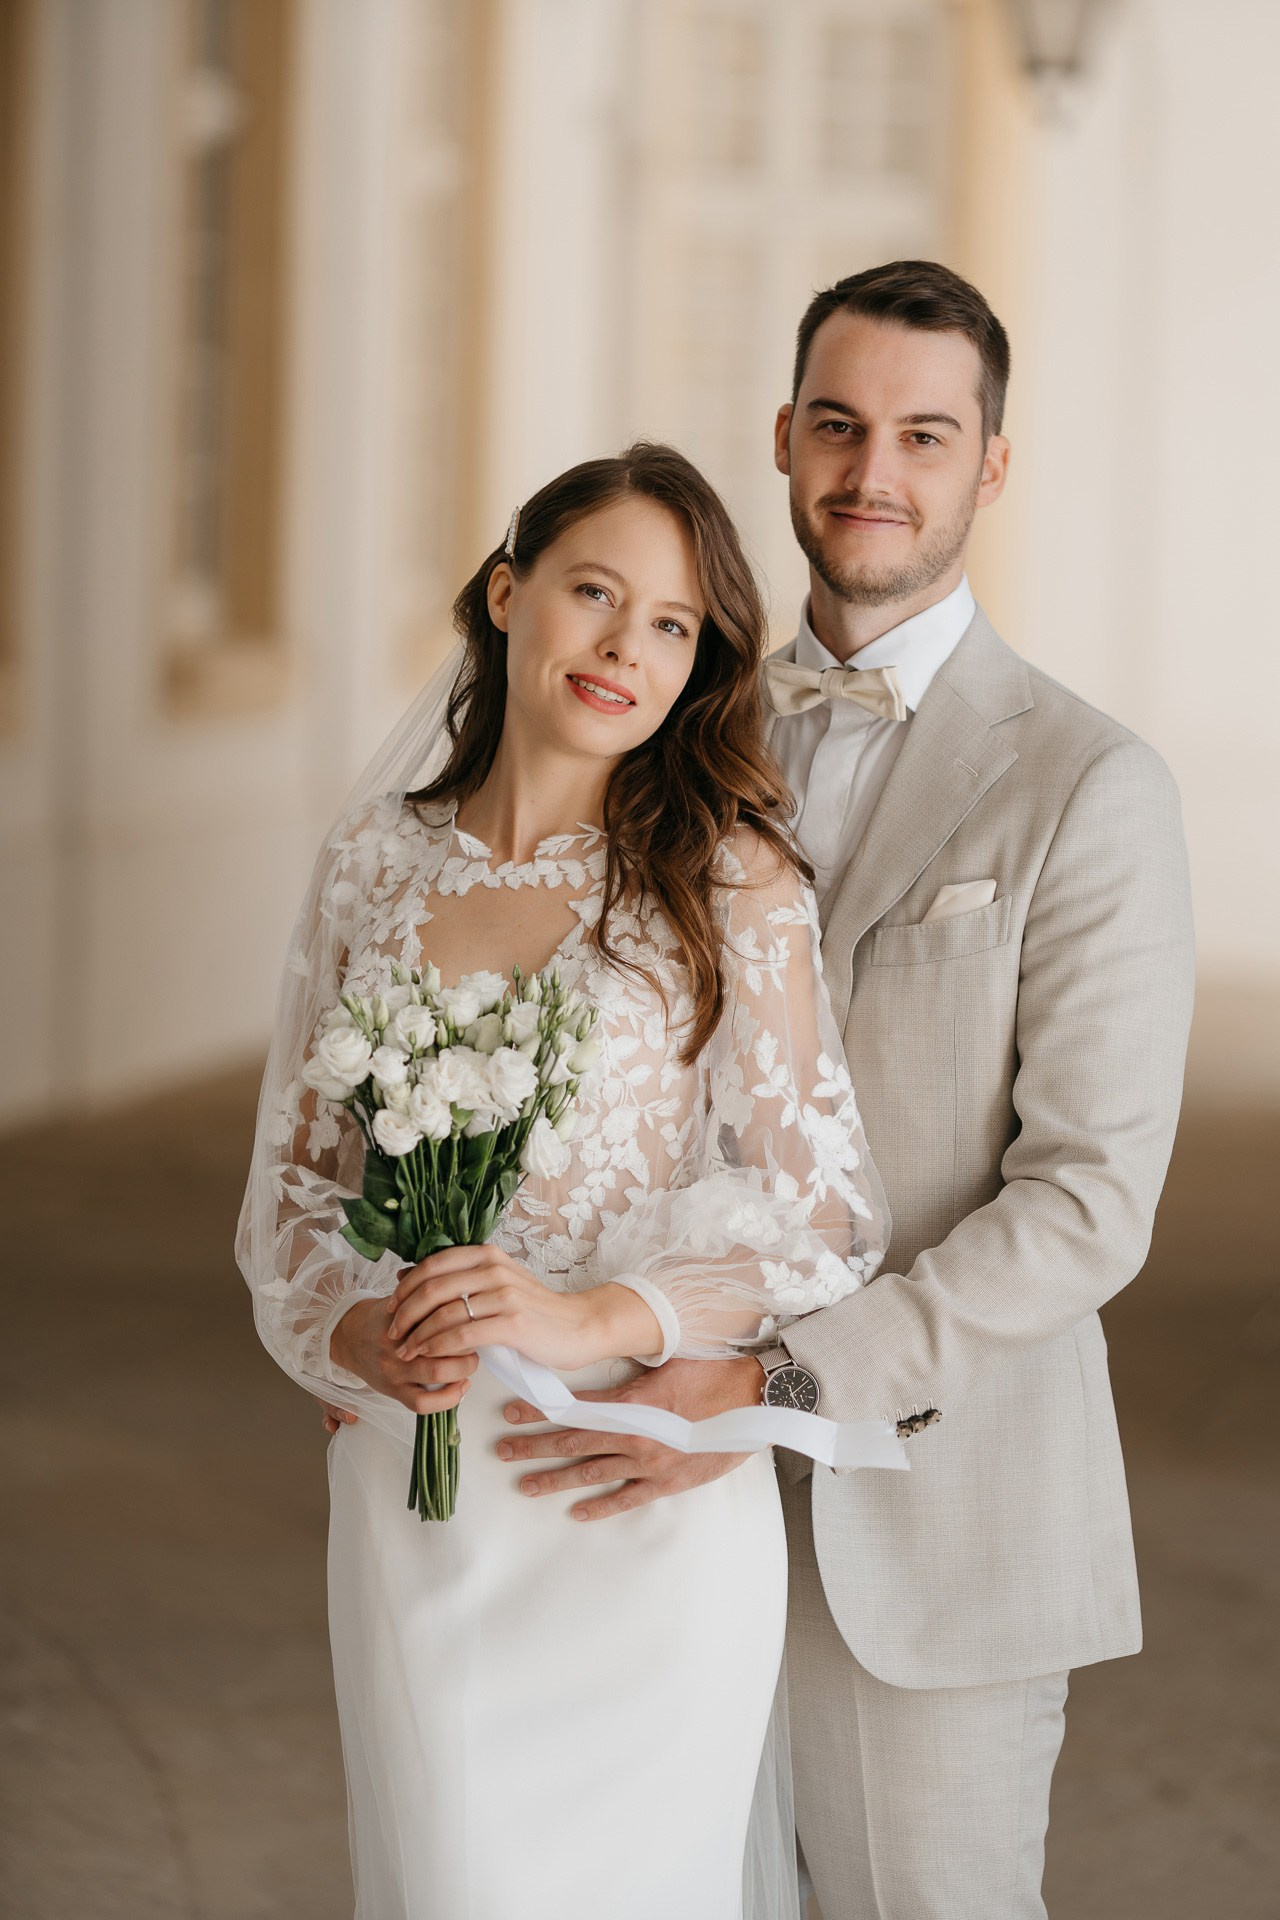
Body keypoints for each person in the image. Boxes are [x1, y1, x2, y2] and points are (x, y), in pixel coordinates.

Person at [486, 263, 1196, 1919]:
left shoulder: (1091, 785)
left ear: (990, 468)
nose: (874, 472)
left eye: (925, 436)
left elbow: (1087, 1205)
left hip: (928, 1524)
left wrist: (772, 1387)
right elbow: (549, 1054)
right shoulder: (666, 725)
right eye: (839, 426)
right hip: (635, 1505)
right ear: (786, 442)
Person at [237, 442, 892, 1920]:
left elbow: (826, 1219)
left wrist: (600, 1318)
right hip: (430, 1497)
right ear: (506, 589)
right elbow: (290, 1198)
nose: (627, 649)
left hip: (634, 1497)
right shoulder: (371, 868)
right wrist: (354, 1328)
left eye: (674, 626)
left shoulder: (729, 879)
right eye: (597, 593)